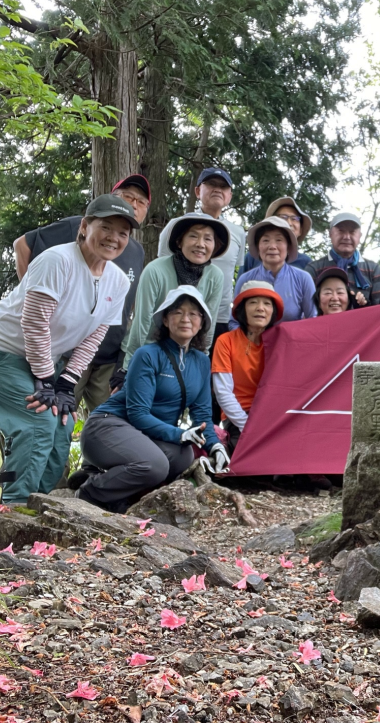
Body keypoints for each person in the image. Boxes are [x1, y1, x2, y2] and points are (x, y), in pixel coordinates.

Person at [0, 195, 137, 503]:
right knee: (37, 421)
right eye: (106, 227)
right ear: (85, 226)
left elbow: (94, 337)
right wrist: (46, 379)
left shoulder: (119, 281)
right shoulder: (57, 260)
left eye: (122, 232)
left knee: (63, 421)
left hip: (42, 358)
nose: (113, 237)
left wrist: (66, 382)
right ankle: (13, 507)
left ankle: (42, 501)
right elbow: (34, 325)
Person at [75, 286, 229, 512]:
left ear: (202, 322)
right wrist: (179, 433)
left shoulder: (201, 362)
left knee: (183, 456)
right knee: (154, 466)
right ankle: (90, 492)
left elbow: (202, 415)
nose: (185, 319)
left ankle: (116, 490)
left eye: (193, 313)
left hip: (144, 435)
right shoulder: (147, 355)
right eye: (177, 312)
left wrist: (215, 446)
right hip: (107, 427)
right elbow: (138, 413)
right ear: (165, 320)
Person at [11, 174, 149, 413]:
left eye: (141, 202)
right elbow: (23, 245)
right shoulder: (78, 225)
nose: (134, 204)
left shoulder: (136, 250)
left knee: (109, 424)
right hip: (67, 351)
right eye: (128, 197)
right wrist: (36, 299)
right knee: (54, 417)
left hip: (109, 355)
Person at [122, 213, 229, 367]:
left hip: (184, 355)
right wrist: (129, 365)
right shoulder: (155, 269)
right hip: (146, 349)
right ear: (179, 242)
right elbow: (142, 321)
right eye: (193, 236)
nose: (200, 244)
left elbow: (208, 324)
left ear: (215, 246)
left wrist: (201, 361)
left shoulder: (215, 275)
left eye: (208, 239)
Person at [157, 168, 246, 345]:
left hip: (219, 318)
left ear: (229, 196)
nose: (217, 189)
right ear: (198, 191)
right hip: (179, 315)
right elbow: (161, 268)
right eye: (211, 184)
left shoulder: (237, 233)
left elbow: (233, 270)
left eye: (223, 187)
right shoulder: (177, 226)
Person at [212, 281, 283, 453]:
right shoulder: (225, 341)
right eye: (253, 302)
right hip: (239, 417)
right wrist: (247, 425)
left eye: (267, 303)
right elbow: (223, 392)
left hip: (275, 416)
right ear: (242, 309)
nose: (260, 308)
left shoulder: (281, 341)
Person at [229, 216, 316, 328]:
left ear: (288, 247)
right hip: (252, 344)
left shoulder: (303, 278)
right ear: (258, 246)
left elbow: (313, 319)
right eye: (265, 240)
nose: (272, 246)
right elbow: (234, 322)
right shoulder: (246, 279)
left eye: (279, 240)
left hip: (291, 343)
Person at [306, 212, 380, 305]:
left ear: (360, 236)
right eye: (341, 231)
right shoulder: (314, 268)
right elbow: (309, 308)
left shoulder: (373, 269)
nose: (347, 237)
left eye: (352, 232)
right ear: (330, 234)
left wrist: (364, 305)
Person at [239, 196, 313, 274]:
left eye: (294, 219)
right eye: (283, 217)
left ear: (300, 230)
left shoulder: (306, 263)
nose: (289, 223)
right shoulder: (252, 258)